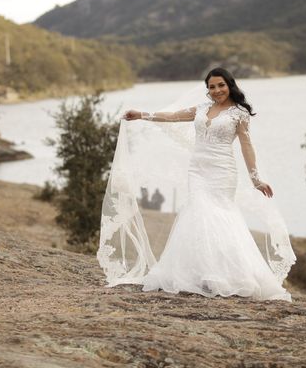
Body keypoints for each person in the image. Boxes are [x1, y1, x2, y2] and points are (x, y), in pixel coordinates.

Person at [99, 67, 294, 301]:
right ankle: (201, 272)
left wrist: (255, 179)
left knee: (218, 216)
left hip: (223, 172)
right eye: (212, 87)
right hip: (197, 171)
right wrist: (141, 114)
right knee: (197, 214)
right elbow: (170, 117)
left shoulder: (239, 113)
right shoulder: (202, 109)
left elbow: (246, 145)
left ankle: (228, 274)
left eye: (221, 85)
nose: (217, 90)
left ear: (229, 85)